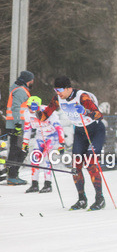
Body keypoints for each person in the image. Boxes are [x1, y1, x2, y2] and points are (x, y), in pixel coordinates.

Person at [37, 76, 106, 209]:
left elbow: (99, 115)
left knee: (90, 163)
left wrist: (85, 111)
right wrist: (36, 111)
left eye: (60, 90)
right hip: (80, 132)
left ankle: (100, 198)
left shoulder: (82, 97)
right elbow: (44, 116)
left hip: (95, 130)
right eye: (56, 90)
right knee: (76, 167)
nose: (58, 93)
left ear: (69, 88)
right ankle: (82, 199)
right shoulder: (57, 99)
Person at [23, 96, 65, 193]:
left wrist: (61, 143)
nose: (30, 109)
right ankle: (34, 184)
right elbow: (27, 128)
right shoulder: (27, 113)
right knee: (34, 158)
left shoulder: (48, 111)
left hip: (52, 136)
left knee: (46, 159)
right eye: (28, 107)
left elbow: (58, 127)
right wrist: (25, 142)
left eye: (32, 107)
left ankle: (47, 184)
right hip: (40, 136)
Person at [4, 70, 34, 185]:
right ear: (28, 80)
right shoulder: (21, 91)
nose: (33, 82)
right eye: (32, 80)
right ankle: (12, 176)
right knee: (19, 150)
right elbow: (15, 108)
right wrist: (17, 124)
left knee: (17, 149)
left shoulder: (19, 90)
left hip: (18, 125)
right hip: (18, 125)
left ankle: (12, 174)